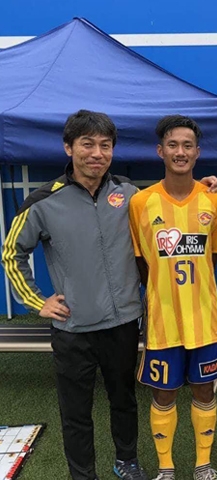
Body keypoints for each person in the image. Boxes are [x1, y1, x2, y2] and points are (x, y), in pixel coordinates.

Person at [1, 110, 147, 480]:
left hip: (124, 323)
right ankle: (83, 475)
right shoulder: (43, 202)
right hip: (73, 329)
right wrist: (38, 302)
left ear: (113, 150)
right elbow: (11, 253)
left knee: (124, 401)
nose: (96, 153)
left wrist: (207, 187)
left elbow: (172, 209)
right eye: (87, 144)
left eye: (105, 145)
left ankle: (126, 461)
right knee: (76, 412)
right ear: (69, 147)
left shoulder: (130, 194)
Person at [129, 115, 217, 480]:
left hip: (204, 318)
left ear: (198, 152)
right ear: (160, 151)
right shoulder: (141, 203)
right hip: (162, 320)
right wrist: (163, 289)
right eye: (173, 145)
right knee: (164, 394)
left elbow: (214, 256)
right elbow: (142, 263)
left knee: (204, 390)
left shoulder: (213, 201)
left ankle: (203, 463)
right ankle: (167, 468)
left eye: (188, 145)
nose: (180, 152)